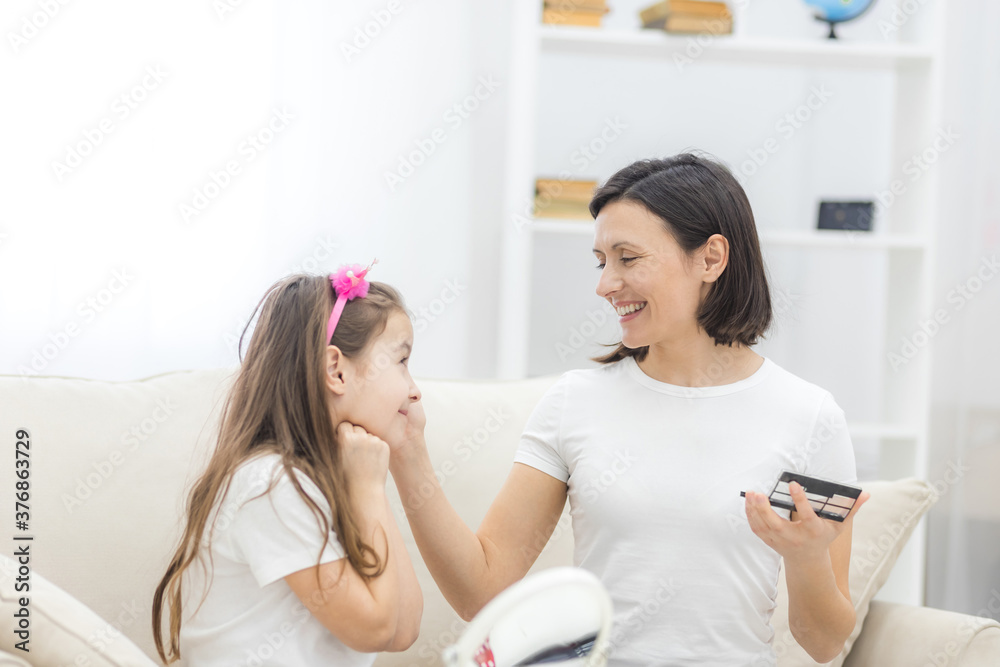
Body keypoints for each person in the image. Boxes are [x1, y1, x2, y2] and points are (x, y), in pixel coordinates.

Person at [389, 153, 871, 666]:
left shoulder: (810, 416)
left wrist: (806, 557)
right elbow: (481, 593)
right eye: (602, 261)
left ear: (711, 259)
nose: (605, 285)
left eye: (628, 258)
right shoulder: (574, 403)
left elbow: (823, 643)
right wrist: (408, 453)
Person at [152, 266, 423, 666]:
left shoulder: (340, 478)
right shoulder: (271, 484)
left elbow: (403, 630)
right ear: (336, 370)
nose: (414, 391)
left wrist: (372, 487)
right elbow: (376, 630)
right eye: (402, 360)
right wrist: (368, 489)